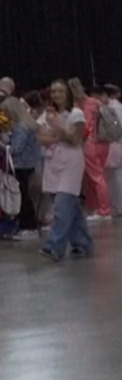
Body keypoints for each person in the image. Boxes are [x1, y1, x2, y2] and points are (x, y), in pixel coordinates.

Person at [37, 80, 94, 261]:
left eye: (60, 91)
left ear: (68, 93)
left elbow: (75, 139)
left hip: (71, 163)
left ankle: (54, 246)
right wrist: (59, 135)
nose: (57, 95)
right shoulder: (47, 114)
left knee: (61, 207)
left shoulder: (76, 114)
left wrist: (57, 127)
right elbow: (42, 138)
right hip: (53, 163)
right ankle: (82, 244)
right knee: (72, 208)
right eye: (54, 91)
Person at [71, 79, 113, 221]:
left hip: (91, 143)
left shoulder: (85, 106)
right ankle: (98, 208)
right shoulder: (96, 102)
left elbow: (86, 127)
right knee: (97, 176)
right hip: (104, 142)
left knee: (96, 177)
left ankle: (103, 210)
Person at [4, 88, 42, 238]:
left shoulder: (21, 127)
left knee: (23, 198)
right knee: (26, 197)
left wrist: (4, 145)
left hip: (21, 166)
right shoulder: (29, 125)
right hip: (29, 165)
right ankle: (28, 226)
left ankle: (29, 227)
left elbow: (16, 148)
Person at [101, 84, 122, 217]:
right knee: (115, 177)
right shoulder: (117, 107)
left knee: (116, 177)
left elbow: (119, 127)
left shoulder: (115, 107)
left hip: (116, 144)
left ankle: (121, 207)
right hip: (118, 144)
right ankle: (119, 206)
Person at [22, 92, 49, 228]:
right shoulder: (29, 116)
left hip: (42, 155)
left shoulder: (44, 116)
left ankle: (42, 217)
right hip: (37, 155)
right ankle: (38, 217)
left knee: (41, 187)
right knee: (37, 188)